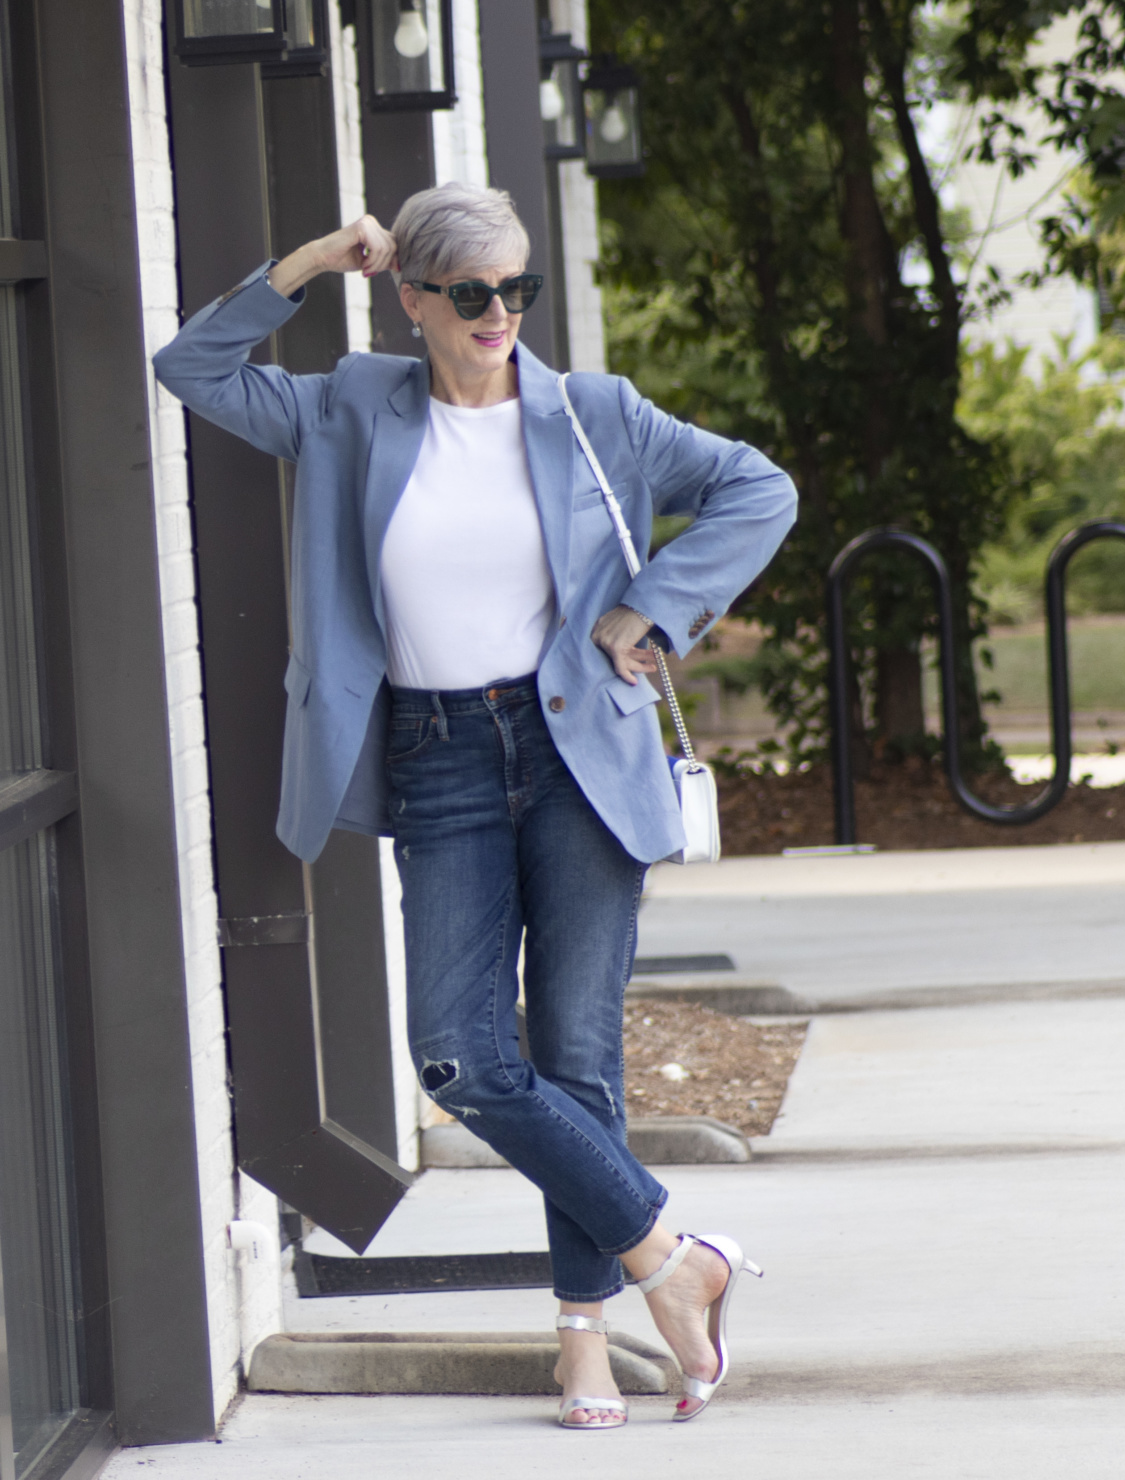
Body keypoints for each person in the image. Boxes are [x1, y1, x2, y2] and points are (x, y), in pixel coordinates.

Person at [154, 183, 797, 1428]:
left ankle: (586, 1342)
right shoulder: (349, 408)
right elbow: (193, 364)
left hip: (574, 754)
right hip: (436, 751)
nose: (500, 313)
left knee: (572, 1056)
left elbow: (756, 490)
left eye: (518, 290)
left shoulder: (590, 412)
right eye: (470, 293)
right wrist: (307, 260)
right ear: (412, 301)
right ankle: (675, 1259)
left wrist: (649, 610)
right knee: (456, 1051)